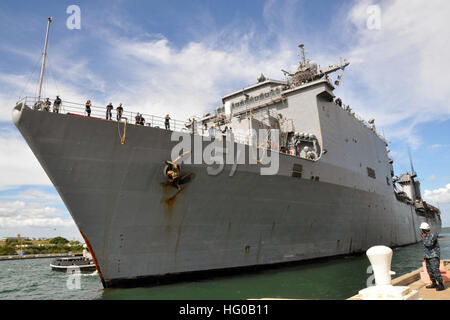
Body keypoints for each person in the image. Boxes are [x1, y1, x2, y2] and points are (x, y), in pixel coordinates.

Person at [420, 222, 445, 291]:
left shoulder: (432, 235)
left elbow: (429, 244)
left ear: (424, 229)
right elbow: (426, 248)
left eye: (422, 229)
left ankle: (441, 284)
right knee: (430, 270)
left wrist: (423, 238)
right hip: (428, 256)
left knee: (435, 270)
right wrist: (424, 255)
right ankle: (434, 283)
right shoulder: (425, 236)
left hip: (434, 256)